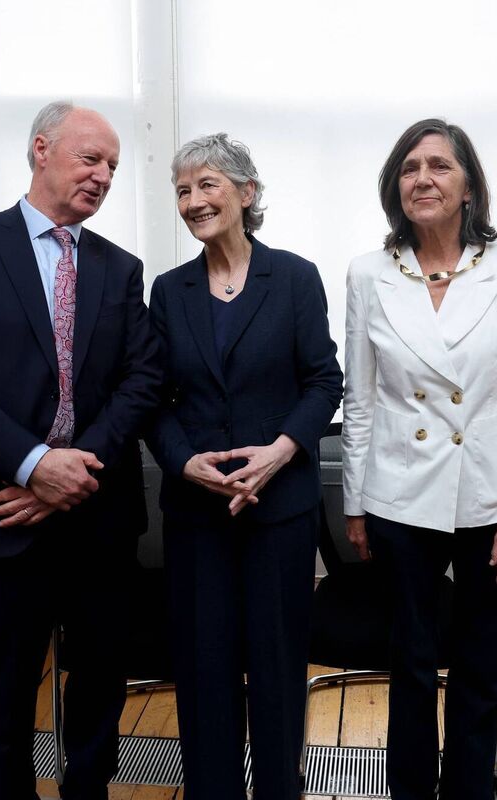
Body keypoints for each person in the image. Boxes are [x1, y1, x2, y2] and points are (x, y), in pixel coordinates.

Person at [0, 100, 163, 800]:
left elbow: (144, 378)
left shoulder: (120, 267)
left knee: (101, 678)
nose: (104, 175)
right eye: (92, 158)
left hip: (98, 514)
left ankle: (88, 791)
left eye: (113, 165)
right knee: (5, 687)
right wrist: (32, 465)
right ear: (42, 149)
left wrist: (72, 470)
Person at [341, 118, 497, 799]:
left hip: (492, 500)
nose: (422, 177)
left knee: (481, 669)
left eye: (439, 166)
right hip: (400, 495)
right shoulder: (370, 273)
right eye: (409, 167)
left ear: (468, 187)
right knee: (408, 663)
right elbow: (362, 398)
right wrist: (355, 504)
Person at [146, 133, 343, 800]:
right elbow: (154, 400)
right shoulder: (168, 292)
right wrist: (183, 463)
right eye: (183, 190)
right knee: (204, 674)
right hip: (197, 515)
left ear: (246, 193)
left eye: (207, 185)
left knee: (278, 670)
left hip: (279, 510)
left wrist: (281, 451)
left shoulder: (294, 277)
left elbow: (323, 382)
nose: (194, 201)